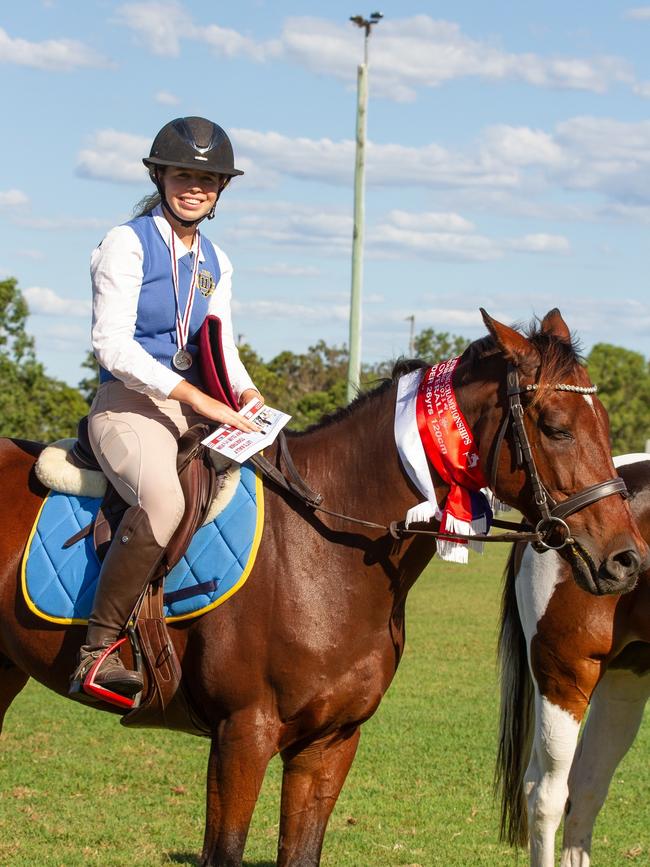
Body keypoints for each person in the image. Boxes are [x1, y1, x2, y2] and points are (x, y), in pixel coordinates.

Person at [69, 116, 262, 701]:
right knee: (164, 499)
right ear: (160, 176)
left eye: (208, 178)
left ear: (221, 189)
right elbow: (113, 345)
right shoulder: (125, 243)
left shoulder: (215, 263)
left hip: (195, 408)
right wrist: (197, 397)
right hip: (127, 406)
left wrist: (247, 394)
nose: (195, 186)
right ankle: (95, 653)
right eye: (183, 174)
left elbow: (220, 343)